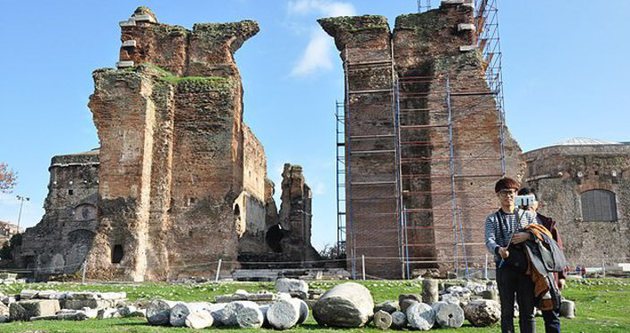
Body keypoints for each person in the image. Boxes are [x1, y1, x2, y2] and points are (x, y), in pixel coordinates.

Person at [485, 177, 538, 333]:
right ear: (498, 195)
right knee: (507, 312)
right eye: (504, 193)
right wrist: (498, 250)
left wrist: (528, 236)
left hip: (525, 268)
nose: (508, 196)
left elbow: (542, 235)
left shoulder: (528, 216)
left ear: (516, 194)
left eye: (511, 192)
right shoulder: (492, 219)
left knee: (527, 311)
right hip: (505, 269)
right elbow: (489, 240)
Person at [518, 187, 566, 333]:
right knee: (526, 315)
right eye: (522, 201)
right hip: (525, 274)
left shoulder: (547, 223)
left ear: (537, 203)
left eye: (530, 200)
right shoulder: (514, 223)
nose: (527, 204)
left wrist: (562, 276)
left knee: (551, 314)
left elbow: (557, 250)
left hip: (547, 274)